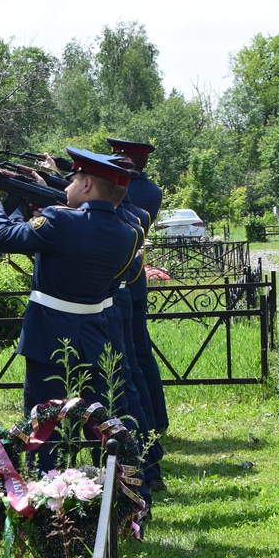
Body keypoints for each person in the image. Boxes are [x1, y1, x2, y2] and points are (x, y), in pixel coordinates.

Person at [0, 147, 140, 474]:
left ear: (87, 184)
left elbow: (2, 236)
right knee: (101, 424)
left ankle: (49, 497)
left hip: (49, 336)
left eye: (73, 179)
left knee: (45, 424)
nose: (66, 186)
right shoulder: (127, 233)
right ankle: (112, 494)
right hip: (95, 335)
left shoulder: (60, 220)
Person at [108, 138, 169, 492]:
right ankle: (154, 426)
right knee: (137, 361)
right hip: (129, 283)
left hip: (125, 285)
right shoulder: (143, 189)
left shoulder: (143, 194)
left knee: (134, 364)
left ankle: (150, 437)